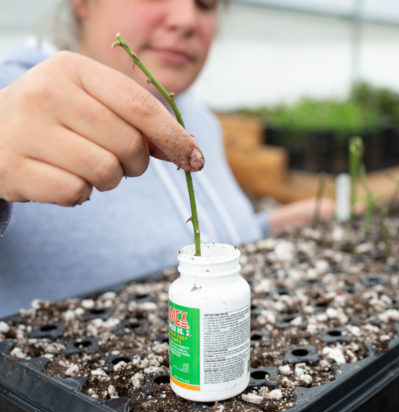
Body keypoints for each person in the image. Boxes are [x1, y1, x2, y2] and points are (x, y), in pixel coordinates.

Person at [0, 0, 334, 317]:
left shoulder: (199, 118)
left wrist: (264, 230)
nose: (187, 19)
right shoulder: (14, 102)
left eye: (205, 3)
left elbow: (185, 236)